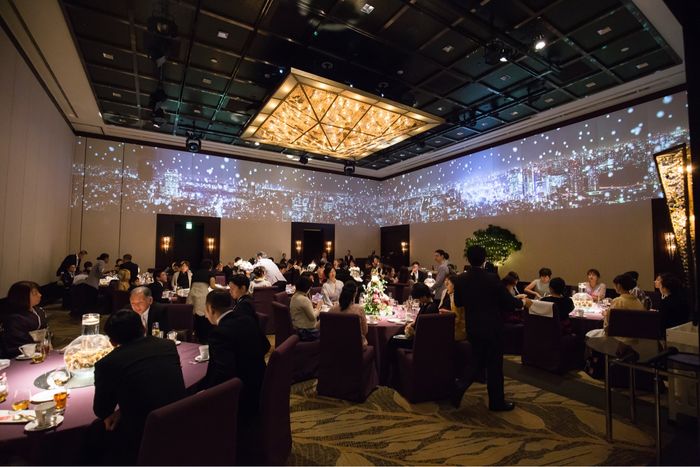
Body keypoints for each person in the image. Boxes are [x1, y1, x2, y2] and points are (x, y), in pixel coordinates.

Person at [92, 310, 186, 465]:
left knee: (96, 433)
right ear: (143, 327)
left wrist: (122, 409)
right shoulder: (167, 345)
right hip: (182, 418)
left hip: (143, 433)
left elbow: (102, 411)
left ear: (112, 341)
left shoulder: (107, 363)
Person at [453, 245, 524, 411]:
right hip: (492, 328)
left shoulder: (461, 279)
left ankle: (459, 387)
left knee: (476, 360)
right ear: (484, 259)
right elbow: (508, 302)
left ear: (468, 259)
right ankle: (496, 402)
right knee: (494, 366)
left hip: (473, 326)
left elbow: (458, 302)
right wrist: (521, 302)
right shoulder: (492, 278)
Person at [202, 286, 270, 425]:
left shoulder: (219, 334)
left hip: (241, 400)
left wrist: (204, 394)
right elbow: (266, 346)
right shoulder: (247, 319)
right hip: (261, 385)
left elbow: (223, 374)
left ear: (211, 309)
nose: (205, 314)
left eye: (205, 310)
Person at [585, 274, 655, 363]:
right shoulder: (637, 301)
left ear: (618, 286)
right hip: (636, 338)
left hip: (618, 338)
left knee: (588, 335)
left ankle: (593, 364)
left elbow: (608, 324)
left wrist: (606, 314)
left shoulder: (618, 301)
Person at [0, 281, 48, 358]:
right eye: (35, 293)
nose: (40, 295)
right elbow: (17, 342)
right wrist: (37, 346)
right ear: (22, 297)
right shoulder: (14, 319)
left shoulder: (39, 311)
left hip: (41, 350)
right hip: (22, 355)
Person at [329, 281, 367, 347]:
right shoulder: (359, 309)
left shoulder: (333, 309)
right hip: (356, 346)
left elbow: (318, 326)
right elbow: (365, 331)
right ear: (355, 293)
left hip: (336, 345)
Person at [188, 259, 217, 344]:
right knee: (204, 315)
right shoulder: (210, 273)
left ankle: (197, 335)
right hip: (202, 294)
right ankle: (205, 338)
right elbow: (212, 286)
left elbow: (191, 285)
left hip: (192, 294)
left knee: (196, 315)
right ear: (210, 266)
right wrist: (222, 288)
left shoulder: (195, 272)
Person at [290, 275, 321, 341]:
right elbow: (312, 317)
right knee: (327, 323)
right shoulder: (304, 299)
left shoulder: (294, 296)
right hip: (306, 332)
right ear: (307, 288)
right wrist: (318, 308)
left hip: (297, 328)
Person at [437, 273, 466, 341]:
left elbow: (456, 319)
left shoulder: (457, 297)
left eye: (448, 283)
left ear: (454, 285)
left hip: (457, 330)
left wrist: (447, 313)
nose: (446, 285)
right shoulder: (448, 293)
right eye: (445, 281)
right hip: (449, 325)